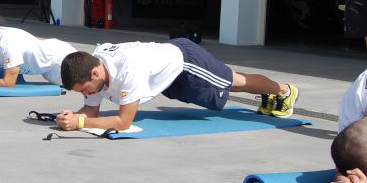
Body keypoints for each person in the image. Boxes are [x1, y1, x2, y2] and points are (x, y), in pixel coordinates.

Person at [55, 39, 299, 133]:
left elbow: (123, 122)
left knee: (236, 83)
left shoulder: (130, 69)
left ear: (95, 72)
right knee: (234, 82)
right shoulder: (94, 67)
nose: (86, 95)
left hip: (187, 63)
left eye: (85, 89)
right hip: (168, 72)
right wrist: (72, 117)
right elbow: (90, 111)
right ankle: (272, 94)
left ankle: (284, 91)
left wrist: (82, 122)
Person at [0, 24, 76, 88]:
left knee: (92, 81)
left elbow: (8, 83)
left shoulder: (7, 46)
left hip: (62, 60)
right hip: (47, 70)